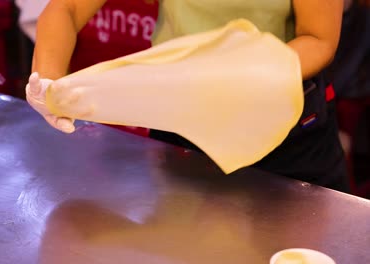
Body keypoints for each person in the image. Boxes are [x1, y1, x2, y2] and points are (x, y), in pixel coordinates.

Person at [26, 0, 349, 192]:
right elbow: (66, 8)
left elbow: (318, 39)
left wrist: (234, 80)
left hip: (281, 127)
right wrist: (48, 80)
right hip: (178, 121)